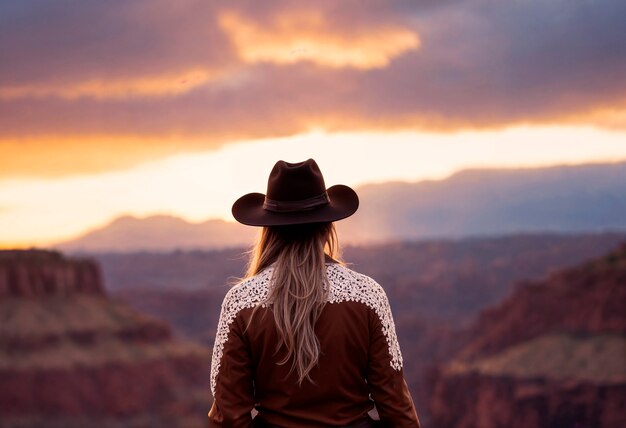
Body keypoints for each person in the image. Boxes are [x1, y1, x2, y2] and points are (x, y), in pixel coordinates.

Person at [208, 159, 421, 427]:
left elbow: (229, 417)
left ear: (269, 229)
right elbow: (395, 405)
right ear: (327, 227)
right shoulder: (367, 295)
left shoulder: (241, 302)